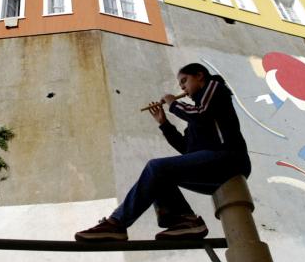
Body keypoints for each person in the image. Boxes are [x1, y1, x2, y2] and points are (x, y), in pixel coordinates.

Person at [75, 63, 251, 241]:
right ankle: (186, 220)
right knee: (159, 176)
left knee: (156, 167)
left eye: (185, 81)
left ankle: (117, 223)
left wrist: (173, 103)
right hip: (214, 166)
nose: (182, 87)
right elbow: (187, 150)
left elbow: (202, 114)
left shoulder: (214, 88)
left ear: (199, 76)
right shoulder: (195, 119)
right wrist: (163, 123)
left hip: (229, 158)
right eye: (180, 84)